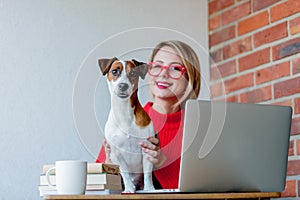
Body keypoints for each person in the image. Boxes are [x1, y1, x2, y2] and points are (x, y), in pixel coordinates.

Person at [96, 40, 201, 189]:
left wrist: (162, 163)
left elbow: (206, 190)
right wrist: (111, 166)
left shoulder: (199, 128)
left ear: (190, 77)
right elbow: (96, 186)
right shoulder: (122, 122)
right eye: (157, 66)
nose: (163, 74)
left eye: (175, 68)